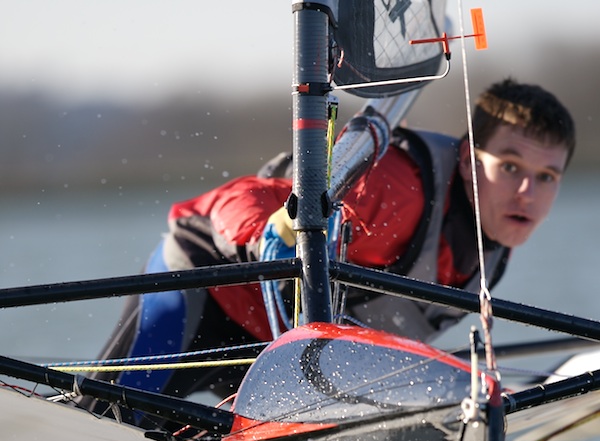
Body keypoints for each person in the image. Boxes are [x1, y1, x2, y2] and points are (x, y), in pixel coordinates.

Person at [84, 78, 575, 422]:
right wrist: (269, 233)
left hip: (279, 349)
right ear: (468, 161)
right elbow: (246, 194)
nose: (527, 193)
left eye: (546, 177)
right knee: (106, 428)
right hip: (207, 285)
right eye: (510, 167)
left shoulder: (497, 238)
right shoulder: (393, 190)